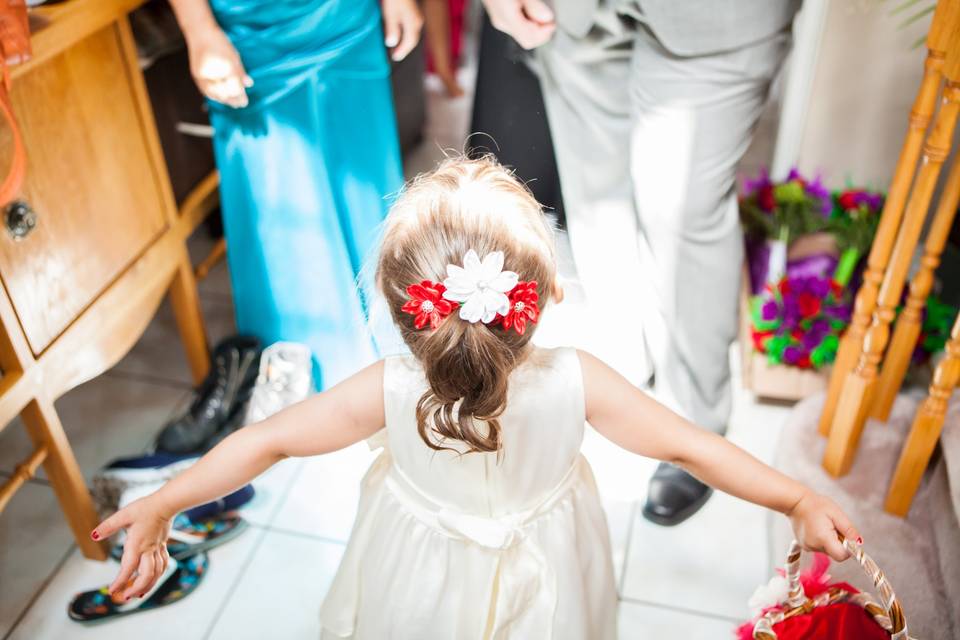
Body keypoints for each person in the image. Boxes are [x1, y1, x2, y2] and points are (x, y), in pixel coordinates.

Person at [92, 158, 861, 638]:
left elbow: (267, 443)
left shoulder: (383, 387)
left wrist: (165, 502)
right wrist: (793, 499)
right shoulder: (578, 380)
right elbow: (692, 446)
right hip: (551, 571)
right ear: (551, 293)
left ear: (398, 312)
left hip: (416, 571)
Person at [480, 0, 801, 526]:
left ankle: (694, 425)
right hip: (572, 12)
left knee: (681, 211)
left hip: (716, 22)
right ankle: (623, 374)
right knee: (596, 191)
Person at [168, 0, 422, 390]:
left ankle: (401, 355)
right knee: (283, 225)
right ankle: (315, 388)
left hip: (348, 18)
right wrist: (198, 27)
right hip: (254, 28)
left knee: (369, 195)